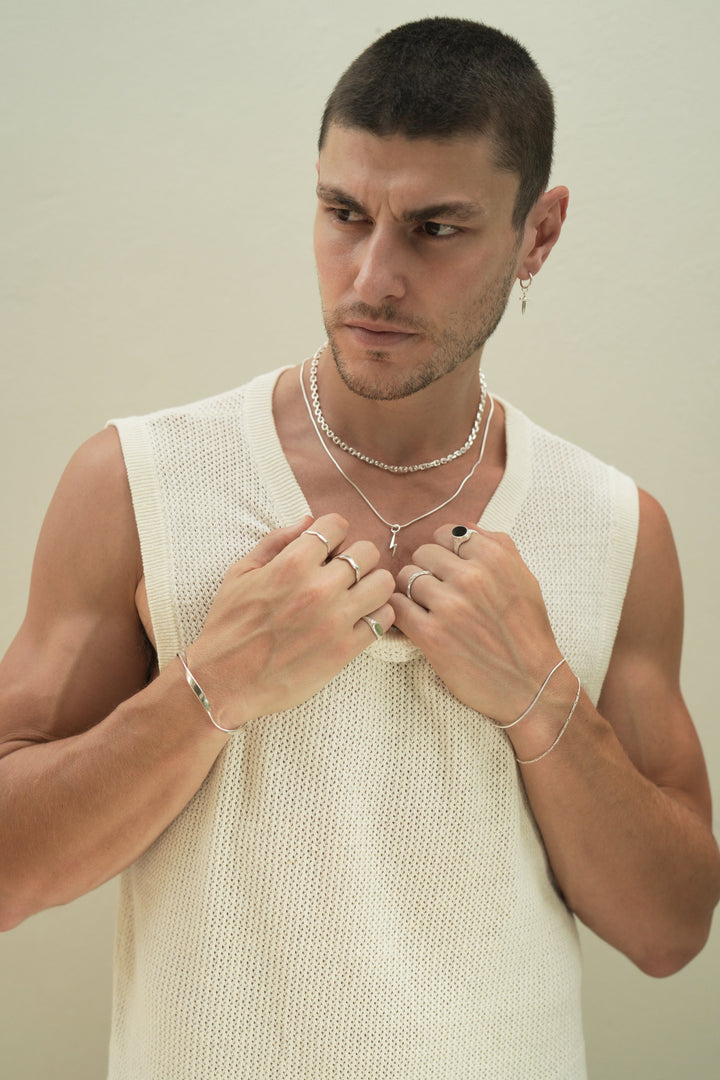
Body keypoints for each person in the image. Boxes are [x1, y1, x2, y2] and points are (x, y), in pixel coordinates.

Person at [0, 15, 718, 1079]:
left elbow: (670, 930)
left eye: (436, 228)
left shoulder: (616, 526)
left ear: (540, 233)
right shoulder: (137, 482)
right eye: (344, 213)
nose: (371, 277)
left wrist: (540, 695)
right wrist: (210, 683)